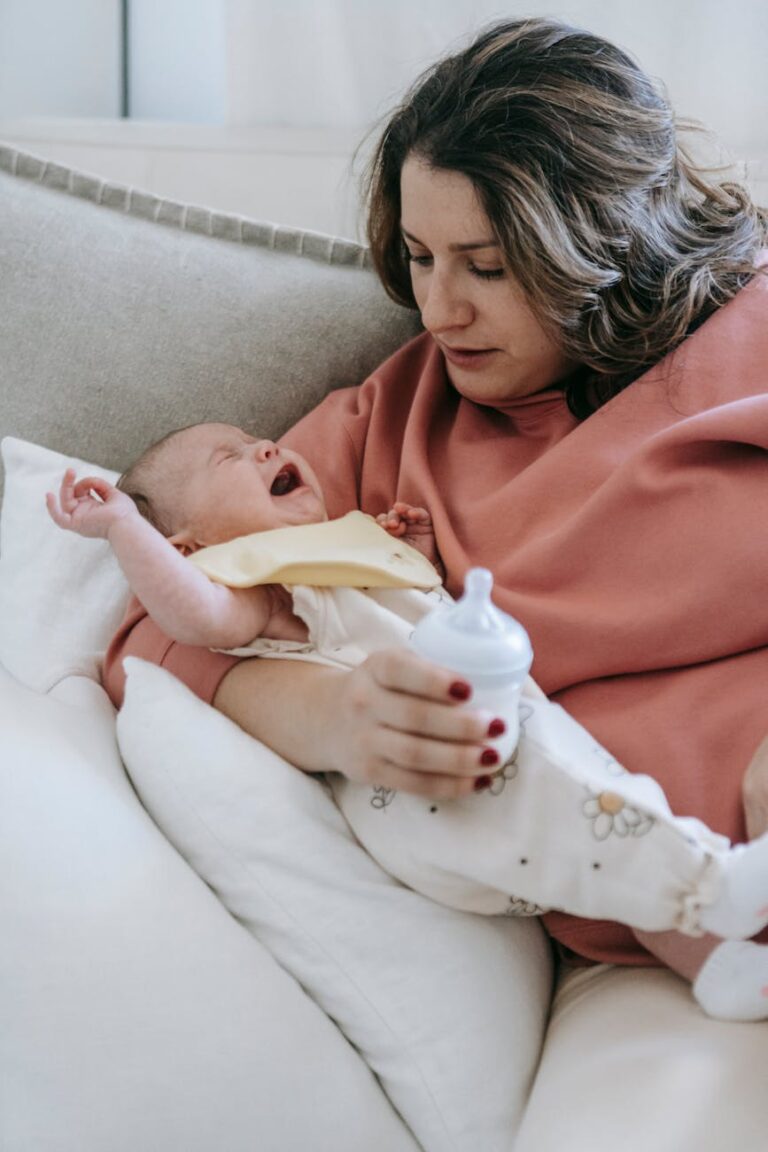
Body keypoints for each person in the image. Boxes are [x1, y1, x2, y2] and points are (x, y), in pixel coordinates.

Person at [97, 15, 768, 1142]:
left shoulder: (745, 348)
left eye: (489, 268)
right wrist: (341, 718)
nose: (439, 308)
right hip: (657, 933)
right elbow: (158, 624)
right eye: (418, 257)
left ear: (602, 241)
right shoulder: (391, 422)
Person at [48, 420, 768, 1019]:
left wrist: (407, 557)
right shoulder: (258, 588)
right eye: (230, 458)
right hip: (427, 785)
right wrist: (121, 528)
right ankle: (717, 880)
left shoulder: (339, 559)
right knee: (580, 796)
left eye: (259, 439)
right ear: (191, 550)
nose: (265, 447)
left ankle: (715, 967)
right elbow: (191, 615)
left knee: (602, 840)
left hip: (484, 798)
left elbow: (403, 616)